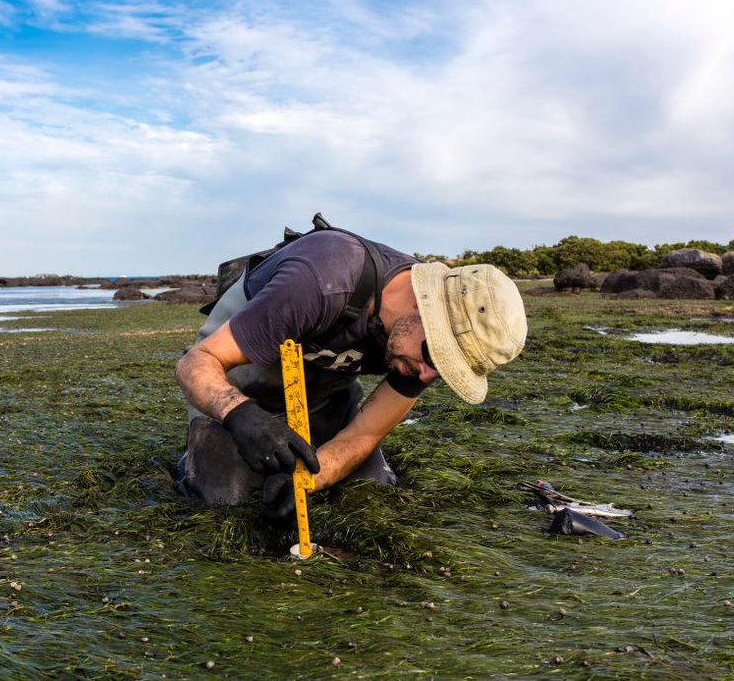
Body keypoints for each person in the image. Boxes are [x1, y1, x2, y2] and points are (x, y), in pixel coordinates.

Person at [175, 219, 527, 525]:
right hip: (236, 383)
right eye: (435, 357)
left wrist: (309, 481)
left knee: (372, 491)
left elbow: (363, 435)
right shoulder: (323, 280)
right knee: (225, 500)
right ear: (424, 308)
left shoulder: (418, 355)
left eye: (444, 372)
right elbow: (196, 363)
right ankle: (195, 452)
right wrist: (240, 415)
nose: (424, 377)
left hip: (325, 399)